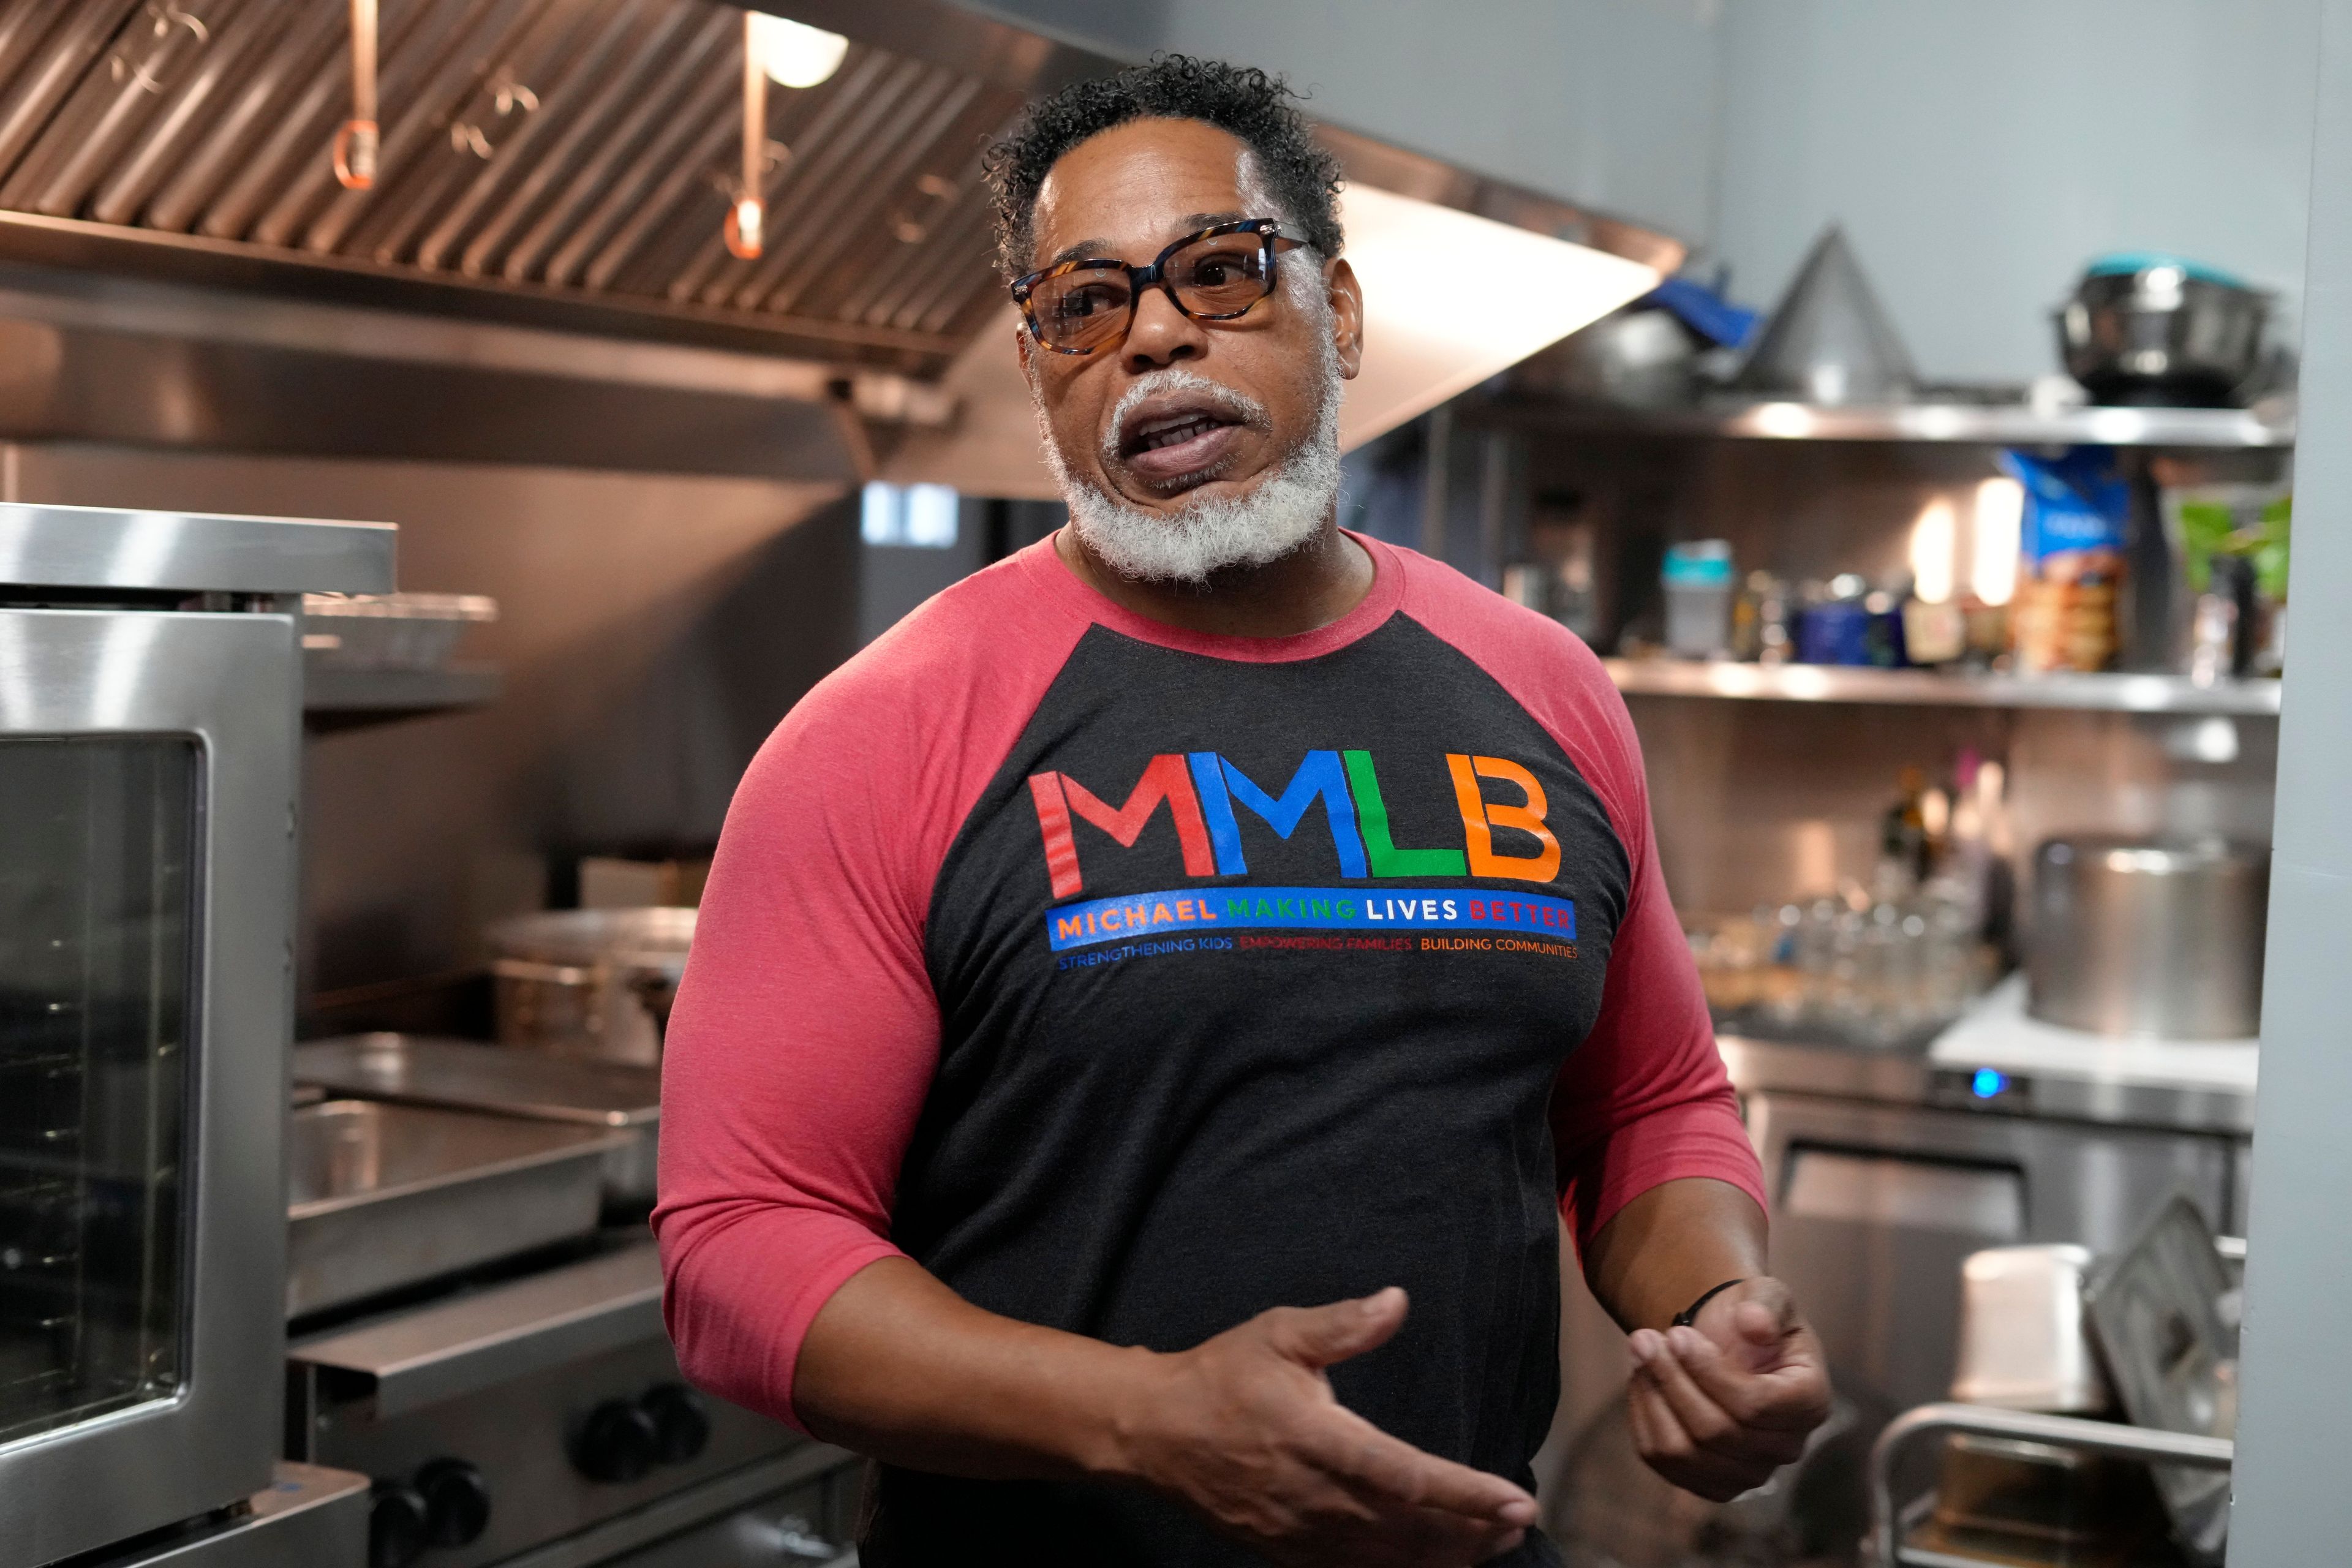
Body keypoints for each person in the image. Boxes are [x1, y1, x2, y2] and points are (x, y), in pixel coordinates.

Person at [654, 55, 1831, 1568]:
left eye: (1220, 273)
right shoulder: (886, 731)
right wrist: (1144, 1415)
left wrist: (1715, 1304)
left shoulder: (1544, 690)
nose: (1152, 334)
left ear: (1335, 312)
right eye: (1084, 303)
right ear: (1039, 365)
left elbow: (1650, 1104)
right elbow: (741, 1249)